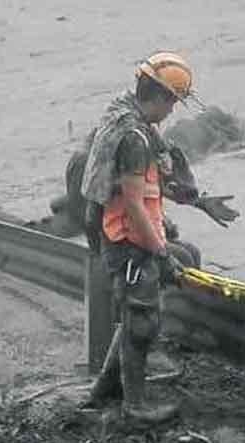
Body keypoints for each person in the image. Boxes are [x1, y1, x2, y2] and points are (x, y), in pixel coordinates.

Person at [82, 51, 202, 421]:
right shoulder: (134, 138)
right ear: (162, 97)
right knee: (142, 321)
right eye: (173, 103)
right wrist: (160, 251)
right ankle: (134, 406)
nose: (171, 112)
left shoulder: (121, 115)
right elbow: (134, 205)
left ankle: (103, 389)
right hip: (130, 240)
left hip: (116, 235)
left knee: (133, 313)